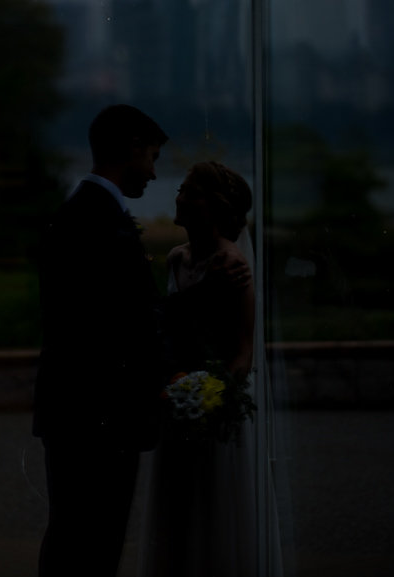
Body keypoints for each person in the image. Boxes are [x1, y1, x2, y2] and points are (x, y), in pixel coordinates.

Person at [33, 104, 169, 577]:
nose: (154, 172)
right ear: (131, 150)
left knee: (77, 536)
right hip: (99, 418)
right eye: (151, 156)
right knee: (91, 540)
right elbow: (113, 323)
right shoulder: (97, 218)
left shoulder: (81, 212)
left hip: (81, 415)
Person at [141, 161, 258, 576]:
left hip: (211, 410)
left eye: (190, 191)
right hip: (176, 398)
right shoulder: (176, 257)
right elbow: (167, 325)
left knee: (212, 513)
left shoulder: (234, 265)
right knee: (178, 510)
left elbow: (243, 352)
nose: (178, 196)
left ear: (214, 205)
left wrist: (214, 399)